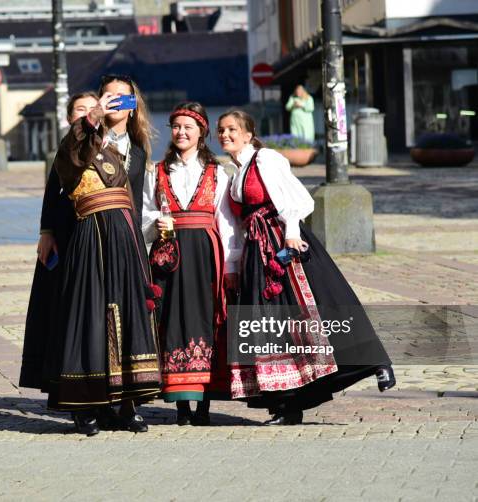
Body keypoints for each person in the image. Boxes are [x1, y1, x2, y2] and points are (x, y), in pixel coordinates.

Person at [217, 109, 395, 426]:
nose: (225, 134)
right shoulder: (236, 173)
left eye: (232, 129)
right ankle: (288, 405)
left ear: (248, 133)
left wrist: (291, 234)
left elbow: (295, 199)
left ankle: (374, 361)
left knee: (319, 307)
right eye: (221, 130)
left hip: (281, 242)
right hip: (256, 251)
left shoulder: (266, 159)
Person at [22, 76, 161, 436]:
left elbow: (138, 201)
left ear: (134, 103)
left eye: (122, 97)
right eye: (108, 97)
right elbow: (57, 187)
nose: (114, 102)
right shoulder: (81, 141)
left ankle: (124, 404)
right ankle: (86, 403)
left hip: (124, 240)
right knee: (89, 318)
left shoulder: (139, 148)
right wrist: (47, 230)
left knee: (127, 317)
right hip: (85, 235)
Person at [143, 102, 242, 425]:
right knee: (169, 319)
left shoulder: (217, 172)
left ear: (201, 133)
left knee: (205, 319)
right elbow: (144, 212)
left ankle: (204, 405)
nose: (181, 132)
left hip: (204, 252)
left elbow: (226, 221)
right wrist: (155, 222)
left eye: (189, 127)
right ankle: (180, 406)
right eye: (176, 127)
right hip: (168, 254)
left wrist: (230, 266)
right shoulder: (157, 171)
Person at [20, 91, 98, 392]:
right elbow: (53, 193)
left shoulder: (116, 146)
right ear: (69, 117)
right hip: (69, 230)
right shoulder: (68, 149)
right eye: (81, 109)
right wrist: (46, 232)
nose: (89, 113)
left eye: (94, 108)